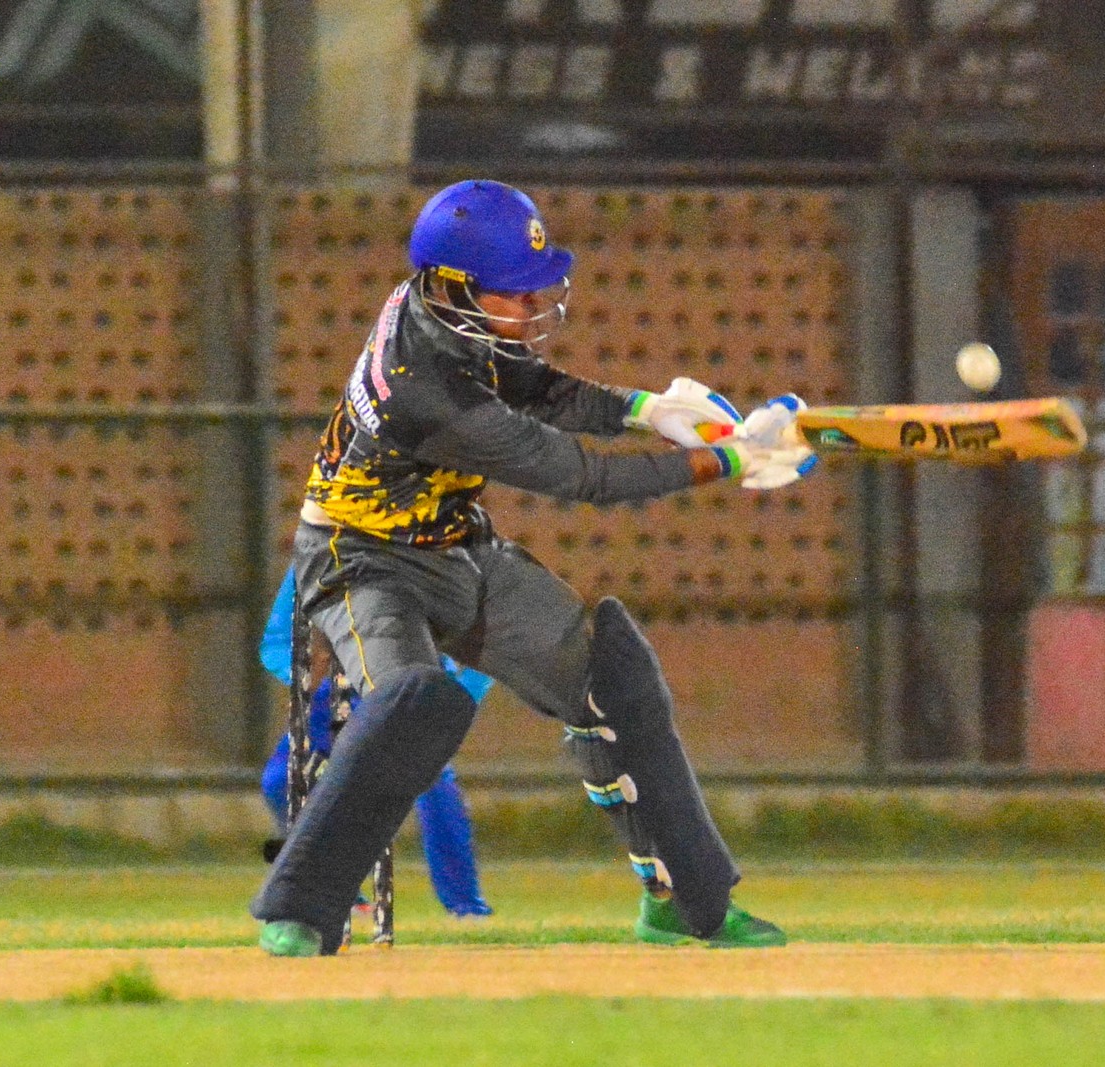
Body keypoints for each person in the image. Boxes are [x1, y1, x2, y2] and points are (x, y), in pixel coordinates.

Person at [250, 179, 817, 956]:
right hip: (358, 561)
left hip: (455, 545)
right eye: (514, 293)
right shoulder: (431, 392)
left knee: (611, 674)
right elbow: (586, 478)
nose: (531, 306)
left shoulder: (433, 313)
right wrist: (727, 461)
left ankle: (681, 900)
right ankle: (300, 909)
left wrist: (645, 410)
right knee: (411, 701)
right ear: (455, 288)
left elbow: (535, 387)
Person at [258, 571, 493, 918]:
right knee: (280, 781)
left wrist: (462, 692)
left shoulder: (431, 558)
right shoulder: (313, 562)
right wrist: (306, 674)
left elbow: (488, 640)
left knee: (433, 786)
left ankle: (465, 905)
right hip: (336, 692)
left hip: (409, 687)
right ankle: (332, 888)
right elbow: (275, 644)